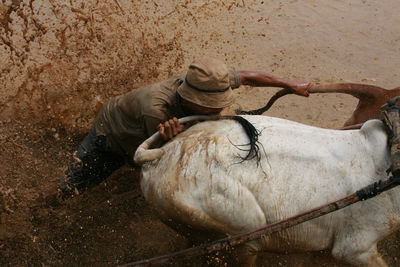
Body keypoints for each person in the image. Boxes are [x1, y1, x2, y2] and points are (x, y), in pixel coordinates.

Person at [59, 56, 312, 198]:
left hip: (137, 120)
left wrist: (289, 84)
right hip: (112, 134)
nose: (217, 110)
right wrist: (170, 140)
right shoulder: (157, 112)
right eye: (211, 106)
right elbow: (161, 159)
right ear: (191, 101)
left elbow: (246, 76)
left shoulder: (206, 80)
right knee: (71, 188)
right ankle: (42, 209)